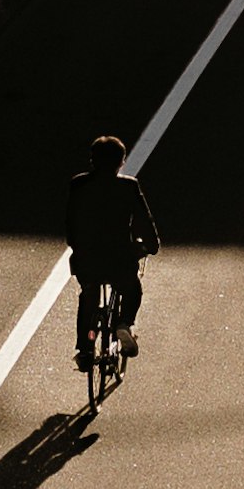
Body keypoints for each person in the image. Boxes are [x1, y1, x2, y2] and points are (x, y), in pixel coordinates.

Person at [68, 129, 156, 369]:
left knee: (88, 295)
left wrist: (77, 246)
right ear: (122, 161)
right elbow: (143, 219)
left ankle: (85, 348)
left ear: (92, 160)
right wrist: (151, 245)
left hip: (87, 258)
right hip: (120, 257)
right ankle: (124, 324)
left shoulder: (79, 184)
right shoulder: (128, 187)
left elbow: (70, 221)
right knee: (132, 289)